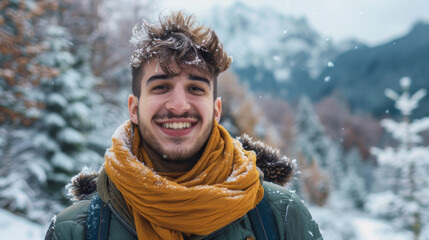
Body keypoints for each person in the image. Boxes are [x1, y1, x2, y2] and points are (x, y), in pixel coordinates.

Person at [45, 11, 323, 240]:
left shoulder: (281, 217)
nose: (178, 105)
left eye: (195, 88)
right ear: (134, 108)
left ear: (216, 111)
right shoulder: (75, 231)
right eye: (162, 86)